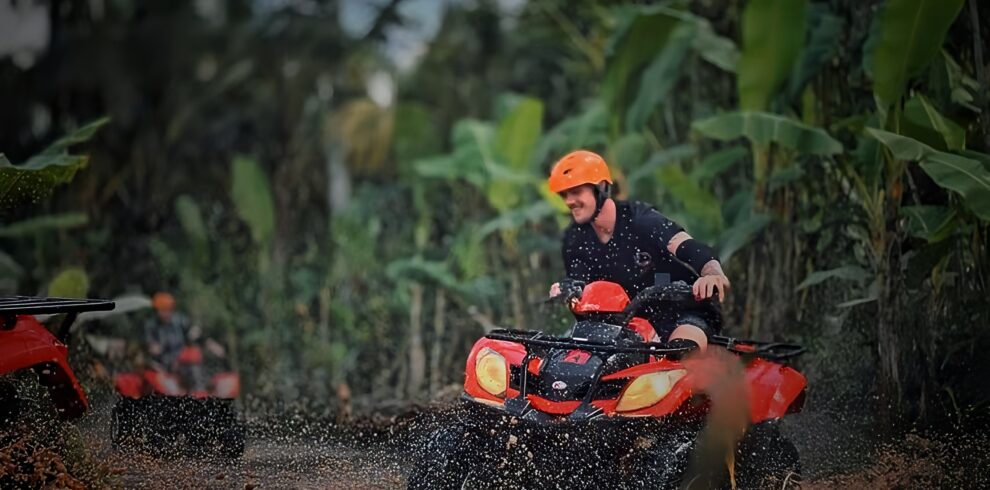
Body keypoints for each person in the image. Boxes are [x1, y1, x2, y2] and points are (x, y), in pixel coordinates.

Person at [547, 150, 730, 353]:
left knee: (680, 353)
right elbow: (580, 285)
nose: (569, 201)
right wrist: (569, 293)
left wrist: (712, 273)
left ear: (600, 188)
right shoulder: (575, 238)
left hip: (684, 310)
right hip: (629, 324)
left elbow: (686, 246)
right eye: (565, 194)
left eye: (576, 192)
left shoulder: (640, 218)